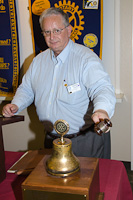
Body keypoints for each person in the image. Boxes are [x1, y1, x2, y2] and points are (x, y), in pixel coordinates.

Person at [2, 7, 116, 159]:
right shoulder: (38, 61)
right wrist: (16, 104)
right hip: (52, 139)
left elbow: (101, 88)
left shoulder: (86, 59)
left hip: (84, 140)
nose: (52, 36)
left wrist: (102, 110)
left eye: (57, 30)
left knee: (87, 182)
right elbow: (27, 89)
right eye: (47, 32)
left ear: (69, 30)